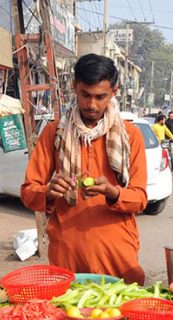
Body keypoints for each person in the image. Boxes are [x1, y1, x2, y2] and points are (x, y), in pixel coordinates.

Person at [20, 54, 147, 284]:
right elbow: (29, 192)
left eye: (101, 97)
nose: (91, 105)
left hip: (118, 257)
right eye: (85, 95)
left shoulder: (130, 136)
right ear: (74, 87)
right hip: (67, 256)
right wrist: (48, 191)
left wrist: (113, 193)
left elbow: (140, 198)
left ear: (114, 92)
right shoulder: (53, 133)